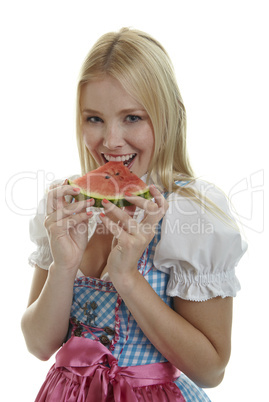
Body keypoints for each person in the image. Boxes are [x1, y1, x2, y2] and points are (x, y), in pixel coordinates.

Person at [21, 27, 247, 401]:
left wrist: (127, 277)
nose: (110, 141)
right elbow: (39, 345)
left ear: (167, 116)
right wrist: (63, 267)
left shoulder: (190, 215)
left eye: (132, 118)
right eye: (94, 118)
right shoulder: (69, 204)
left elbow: (211, 370)